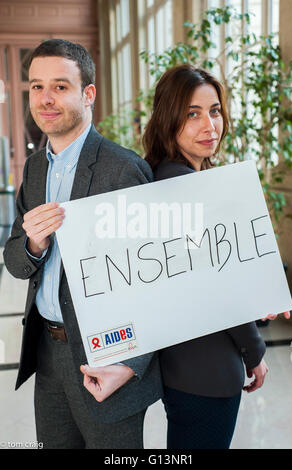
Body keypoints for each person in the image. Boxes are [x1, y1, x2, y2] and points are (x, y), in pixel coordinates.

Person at [3, 39, 162, 449]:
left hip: (108, 358)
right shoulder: (35, 169)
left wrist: (128, 365)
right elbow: (15, 261)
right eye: (36, 86)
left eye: (60, 85)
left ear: (88, 94)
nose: (45, 98)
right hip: (48, 356)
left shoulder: (123, 169)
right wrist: (33, 244)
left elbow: (158, 282)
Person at [143, 64, 289, 449]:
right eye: (193, 113)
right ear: (168, 118)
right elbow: (218, 286)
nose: (210, 125)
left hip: (183, 366)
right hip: (206, 366)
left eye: (215, 111)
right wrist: (255, 351)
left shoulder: (164, 177)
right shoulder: (186, 186)